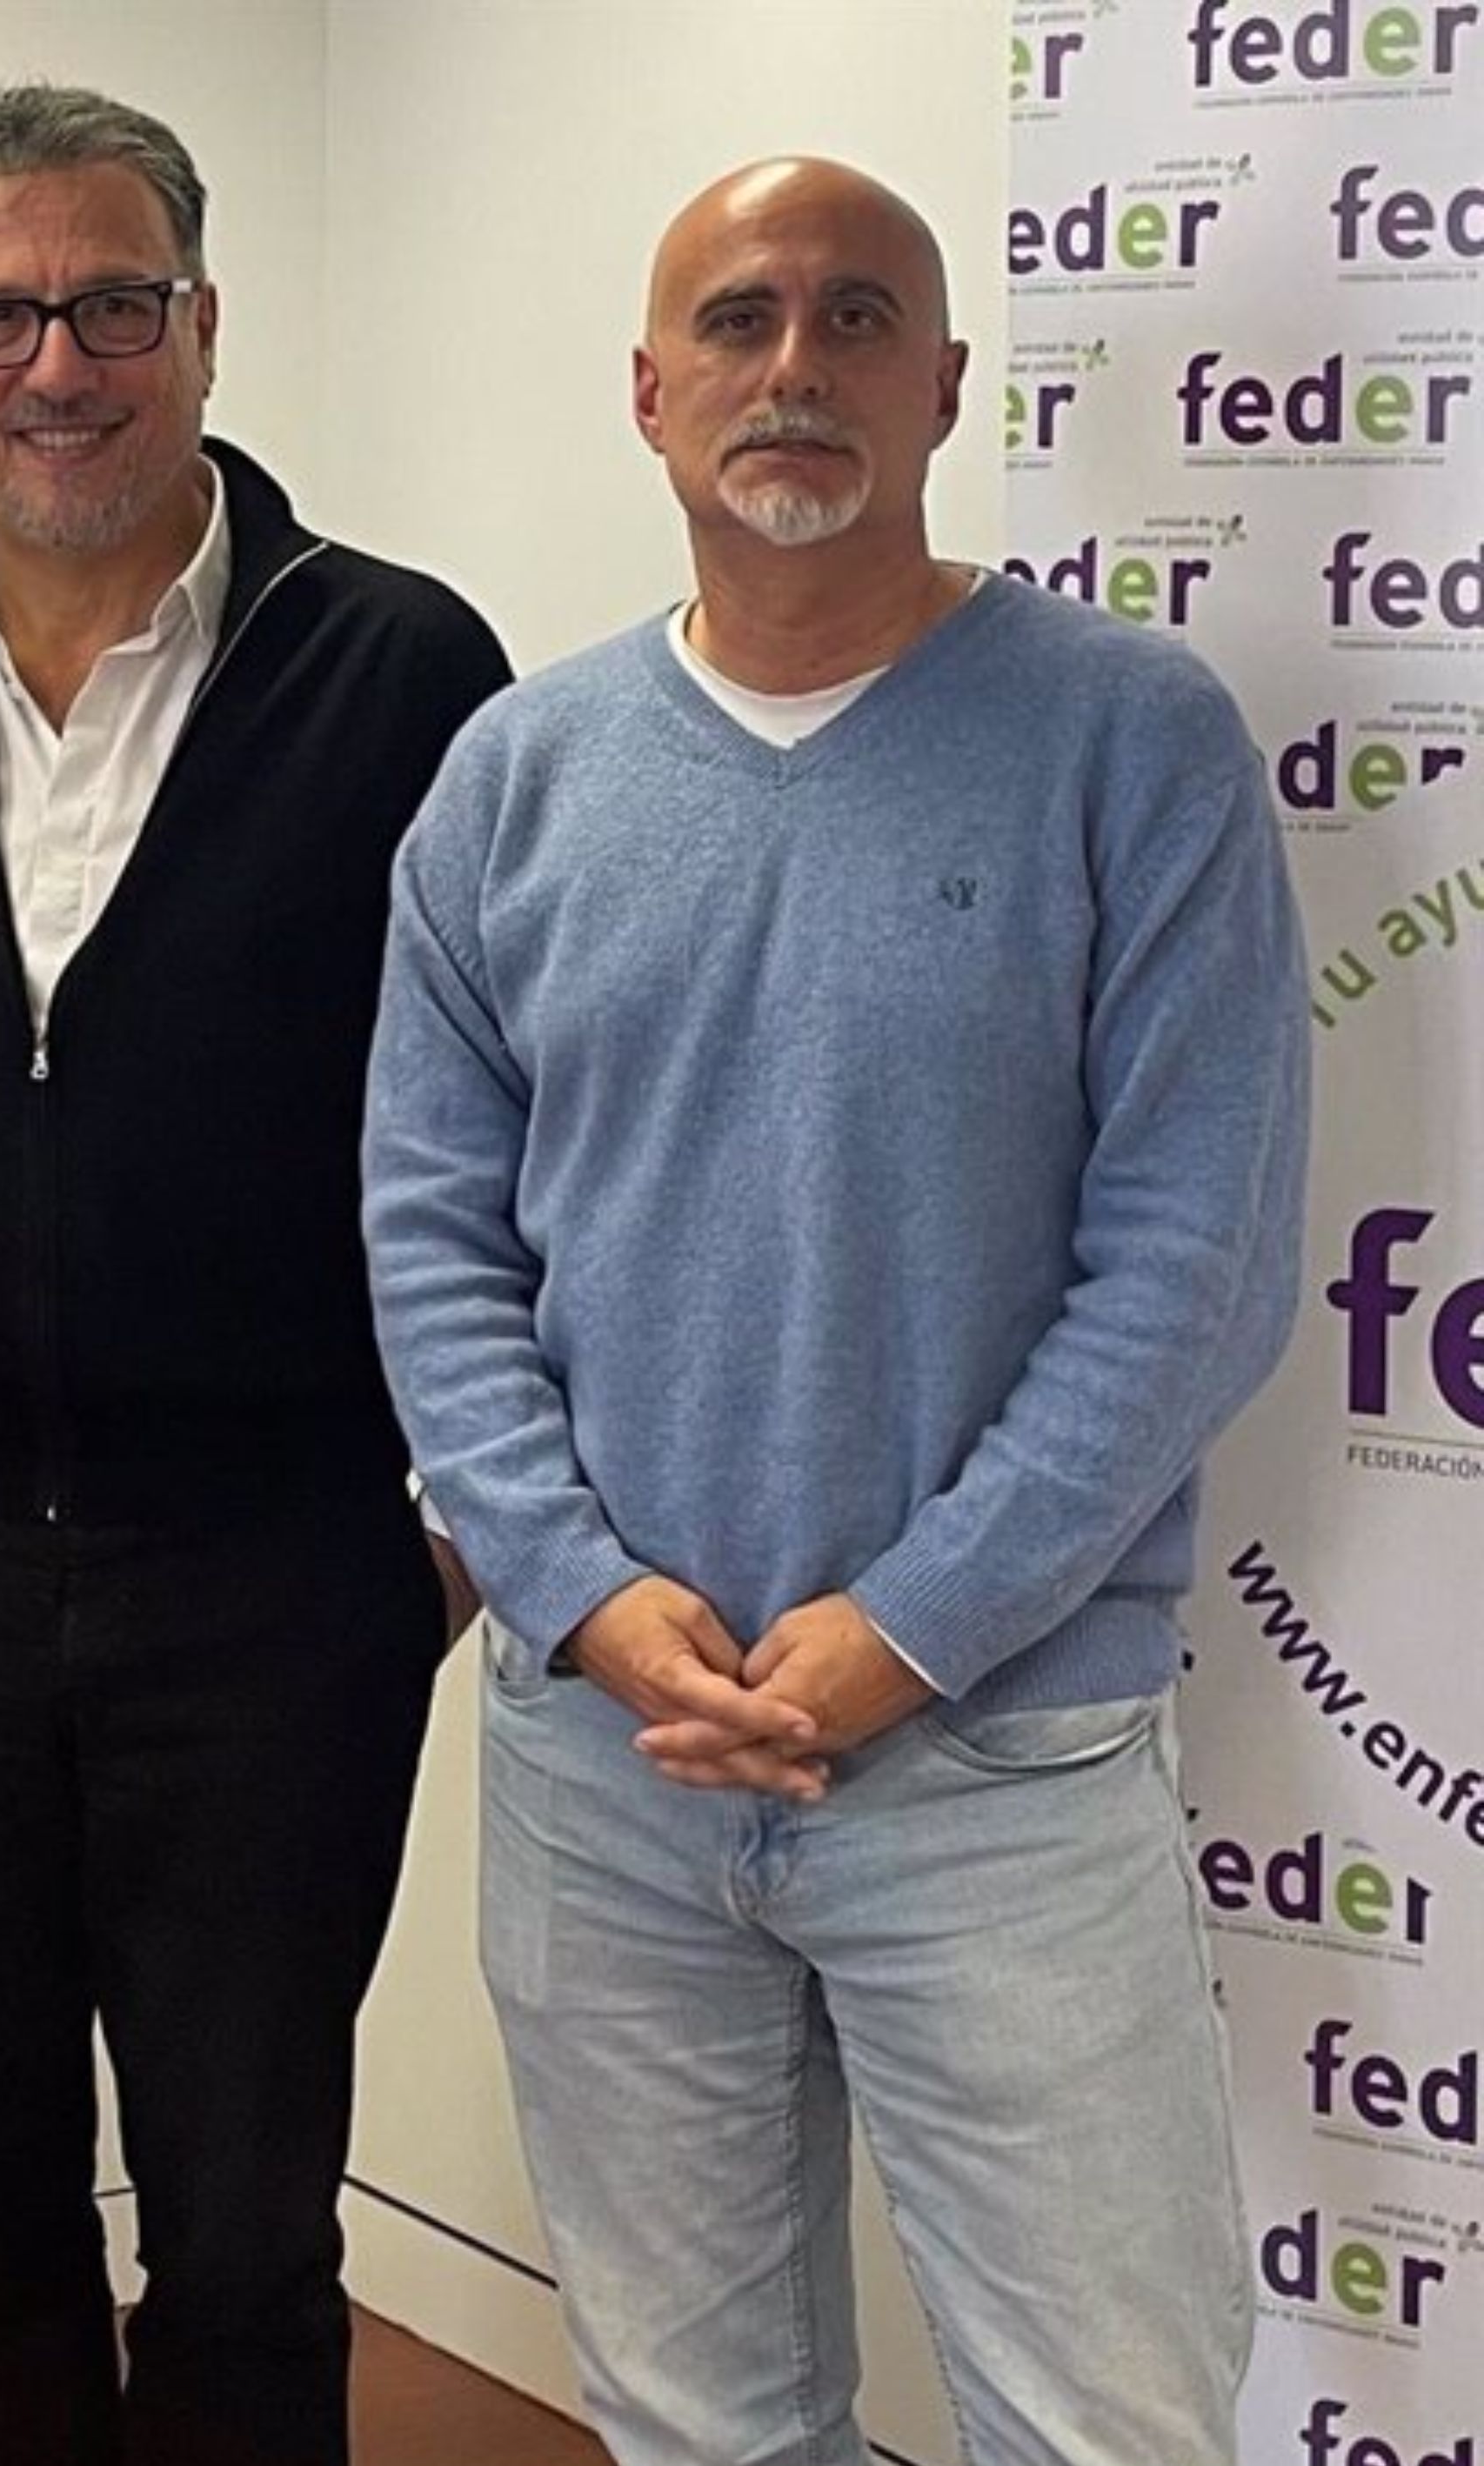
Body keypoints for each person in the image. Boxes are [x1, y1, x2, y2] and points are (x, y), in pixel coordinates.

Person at [365, 157, 1307, 2466]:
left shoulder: (1130, 736)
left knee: (1113, 2425)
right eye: (745, 319)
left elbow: (1198, 1259)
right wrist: (583, 1599)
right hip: (612, 1761)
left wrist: (912, 1621)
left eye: (859, 317)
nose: (797, 366)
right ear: (654, 390)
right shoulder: (518, 777)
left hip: (1000, 1756)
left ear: (949, 380)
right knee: (695, 2416)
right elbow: (430, 1230)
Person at [0, 81, 509, 2465]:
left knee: (248, 2225)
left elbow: (522, 1112)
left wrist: (452, 1507)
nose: (62, 363)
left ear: (203, 323)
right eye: (0, 311)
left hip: (284, 1562)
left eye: (114, 303)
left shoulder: (406, 670)